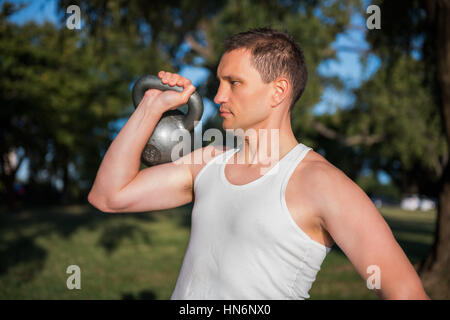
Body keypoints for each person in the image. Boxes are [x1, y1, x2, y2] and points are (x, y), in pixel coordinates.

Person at [88, 27, 430, 300]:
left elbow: (405, 292)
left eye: (234, 83)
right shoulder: (209, 160)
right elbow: (108, 196)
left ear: (278, 91)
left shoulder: (321, 183)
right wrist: (151, 105)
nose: (218, 96)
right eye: (219, 83)